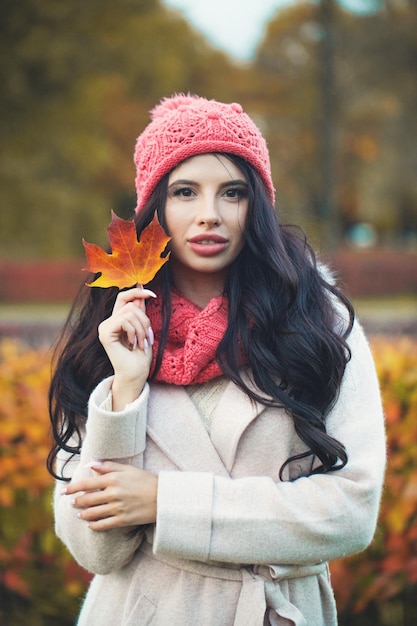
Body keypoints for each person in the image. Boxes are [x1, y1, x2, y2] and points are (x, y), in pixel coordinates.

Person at [48, 94, 386, 626]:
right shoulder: (108, 332)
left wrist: (166, 503)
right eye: (185, 192)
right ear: (154, 206)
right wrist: (124, 394)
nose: (210, 215)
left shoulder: (319, 325)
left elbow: (351, 512)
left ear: (258, 207)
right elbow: (97, 551)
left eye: (233, 192)